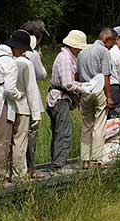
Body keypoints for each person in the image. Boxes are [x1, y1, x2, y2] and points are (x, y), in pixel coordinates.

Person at [0, 30, 31, 187]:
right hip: (2, 103)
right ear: (17, 47)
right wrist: (19, 95)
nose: (23, 53)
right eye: (23, 49)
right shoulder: (10, 62)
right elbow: (10, 89)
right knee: (2, 141)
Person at [46, 30, 89, 169]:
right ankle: (58, 165)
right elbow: (67, 83)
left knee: (59, 132)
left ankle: (56, 162)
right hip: (60, 99)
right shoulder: (65, 58)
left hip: (59, 98)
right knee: (64, 133)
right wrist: (84, 88)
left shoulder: (67, 56)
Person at [77, 27, 115, 169]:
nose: (111, 47)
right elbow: (106, 76)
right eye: (112, 43)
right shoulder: (103, 51)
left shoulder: (82, 51)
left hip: (85, 91)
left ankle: (85, 160)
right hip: (99, 91)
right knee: (99, 126)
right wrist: (109, 97)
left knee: (86, 126)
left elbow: (77, 74)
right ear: (107, 39)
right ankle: (96, 159)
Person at [12, 35, 43, 178]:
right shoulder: (26, 63)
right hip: (24, 107)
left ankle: (11, 170)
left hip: (11, 106)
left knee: (12, 140)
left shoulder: (11, 61)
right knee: (21, 141)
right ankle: (20, 172)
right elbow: (31, 89)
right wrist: (36, 114)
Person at [21, 21, 47, 177]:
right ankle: (30, 169)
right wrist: (39, 57)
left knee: (18, 136)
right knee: (31, 135)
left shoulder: (15, 47)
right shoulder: (32, 53)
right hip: (31, 100)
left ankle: (17, 169)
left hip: (16, 100)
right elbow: (42, 74)